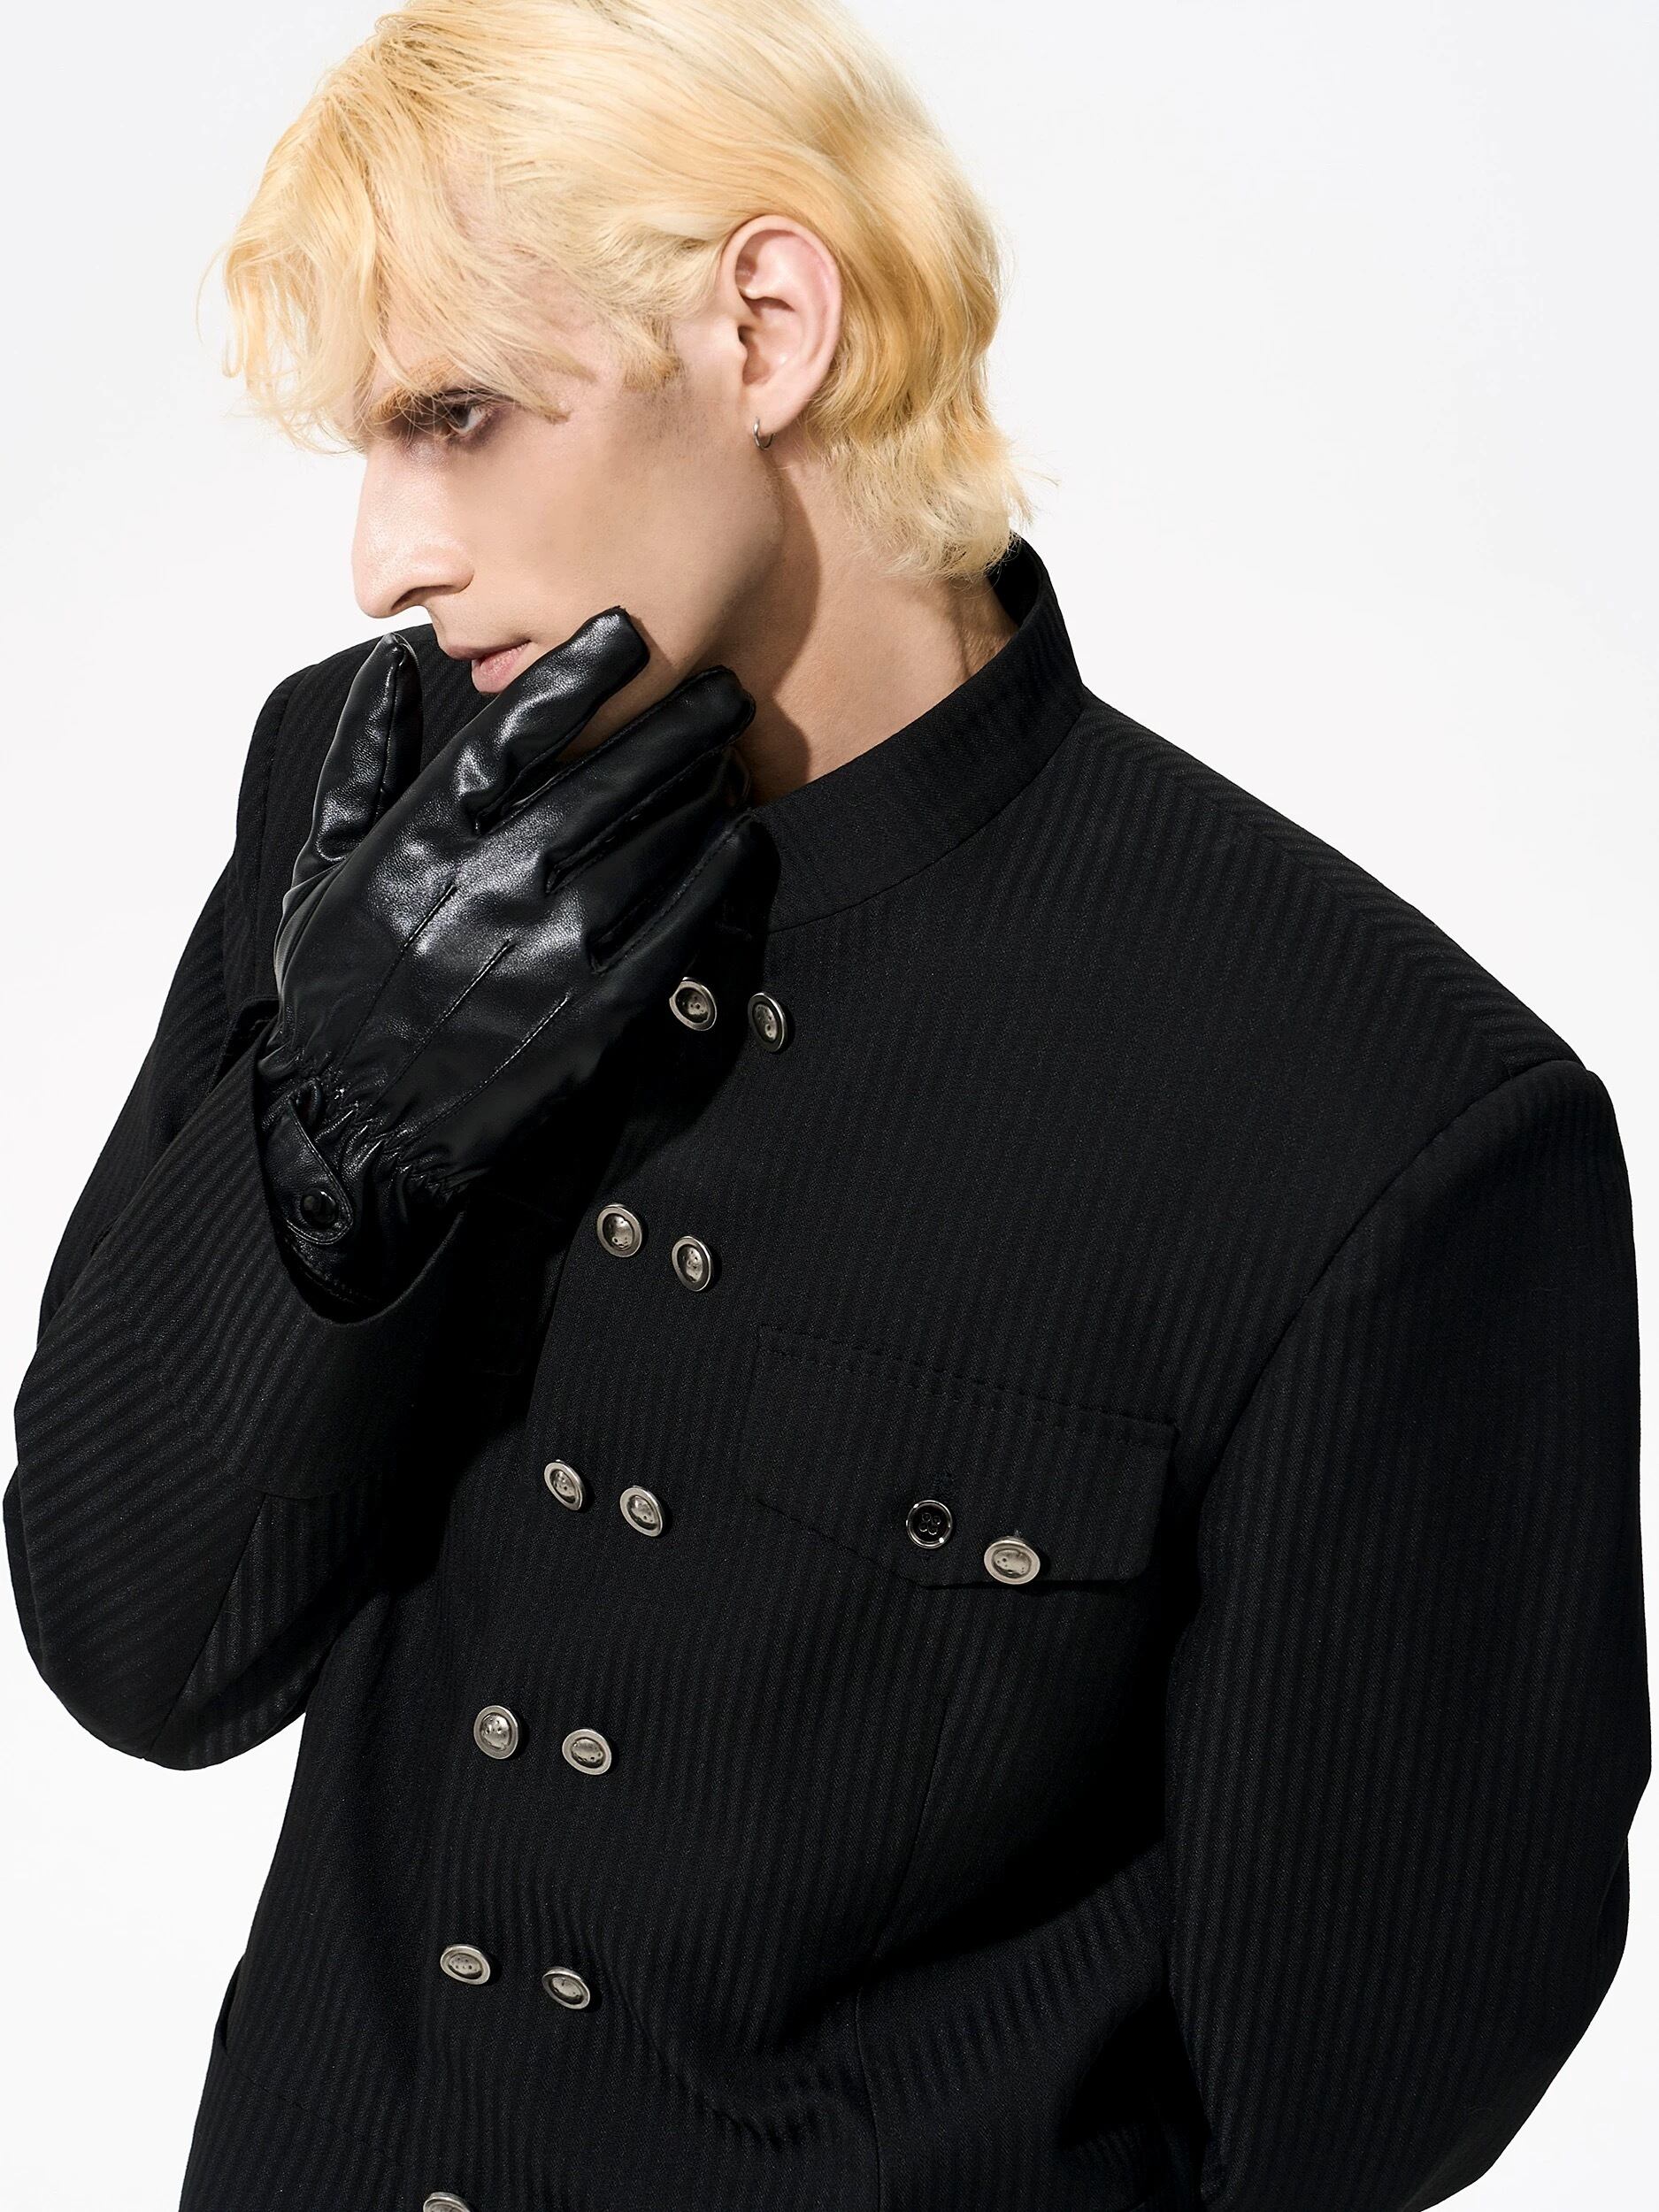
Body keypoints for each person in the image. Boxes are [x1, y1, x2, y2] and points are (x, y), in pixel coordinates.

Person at [6, 4, 1647, 2209]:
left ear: (766, 327)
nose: (381, 558)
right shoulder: (362, 801)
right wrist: (335, 1129)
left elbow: (1355, 2094)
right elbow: (137, 1648)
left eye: (457, 417)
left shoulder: (1378, 1114)